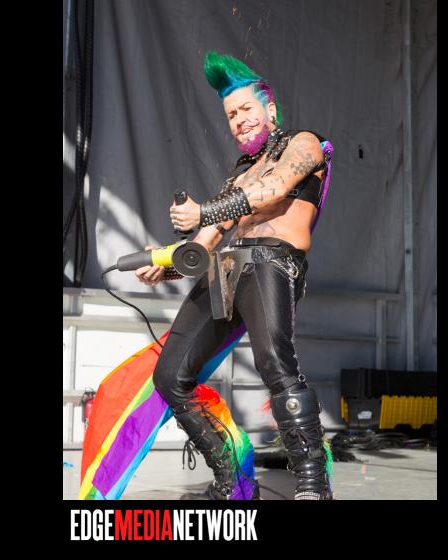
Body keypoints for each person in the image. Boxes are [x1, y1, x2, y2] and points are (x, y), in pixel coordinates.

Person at [135, 51, 333, 500]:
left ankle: (312, 484)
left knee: (276, 366)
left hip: (271, 261)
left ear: (270, 109)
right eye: (230, 115)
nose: (239, 121)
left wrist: (204, 211)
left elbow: (276, 189)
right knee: (170, 376)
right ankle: (234, 479)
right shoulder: (240, 173)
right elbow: (204, 242)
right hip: (226, 269)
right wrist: (164, 264)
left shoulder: (305, 143)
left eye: (246, 109)